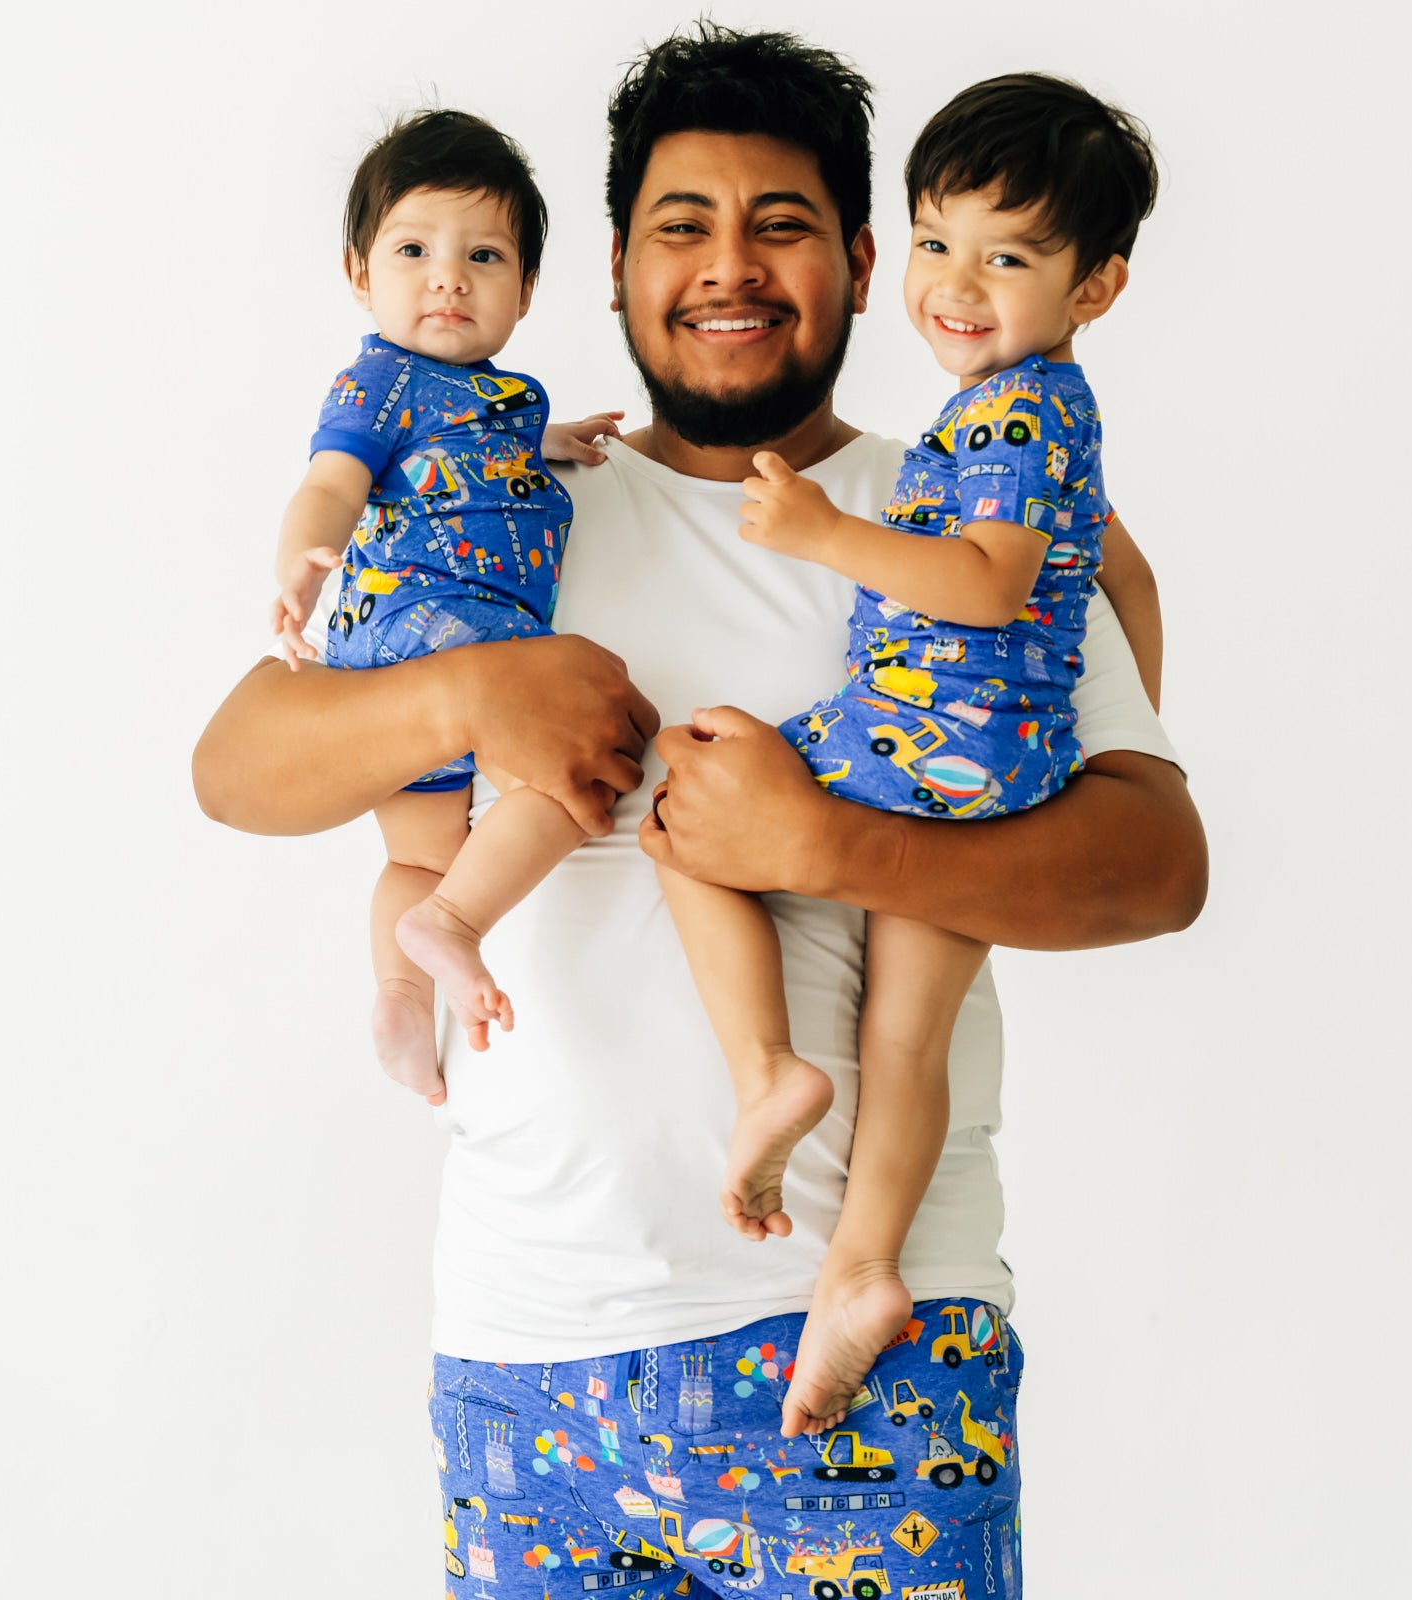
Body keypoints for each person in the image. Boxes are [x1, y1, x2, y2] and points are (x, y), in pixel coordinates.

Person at [193, 24, 1206, 1596]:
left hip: (859, 1353)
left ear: (867, 263)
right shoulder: (512, 500)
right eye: (683, 225)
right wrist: (474, 695)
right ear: (609, 269)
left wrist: (828, 847)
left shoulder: (944, 507)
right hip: (522, 1366)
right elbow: (239, 764)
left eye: (782, 225)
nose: (729, 267)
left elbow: (1156, 865)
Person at [658, 72, 1165, 1437]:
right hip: (989, 755)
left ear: (1095, 286)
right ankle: (861, 1274)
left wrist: (825, 536)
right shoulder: (1028, 414)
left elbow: (990, 582)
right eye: (940, 241)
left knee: (694, 790)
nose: (959, 282)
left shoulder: (1014, 415)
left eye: (1009, 257)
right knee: (909, 1031)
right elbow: (1120, 580)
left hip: (920, 732)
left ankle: (768, 1068)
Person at [268, 110, 622, 1104]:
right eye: (413, 249)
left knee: (420, 850)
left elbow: (472, 452)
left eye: (484, 255)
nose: (447, 278)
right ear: (358, 273)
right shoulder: (375, 380)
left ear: (526, 288)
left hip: (411, 666)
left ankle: (397, 991)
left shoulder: (505, 399)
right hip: (448, 643)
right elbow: (332, 482)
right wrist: (299, 561)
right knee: (572, 780)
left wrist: (551, 441)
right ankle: (451, 927)